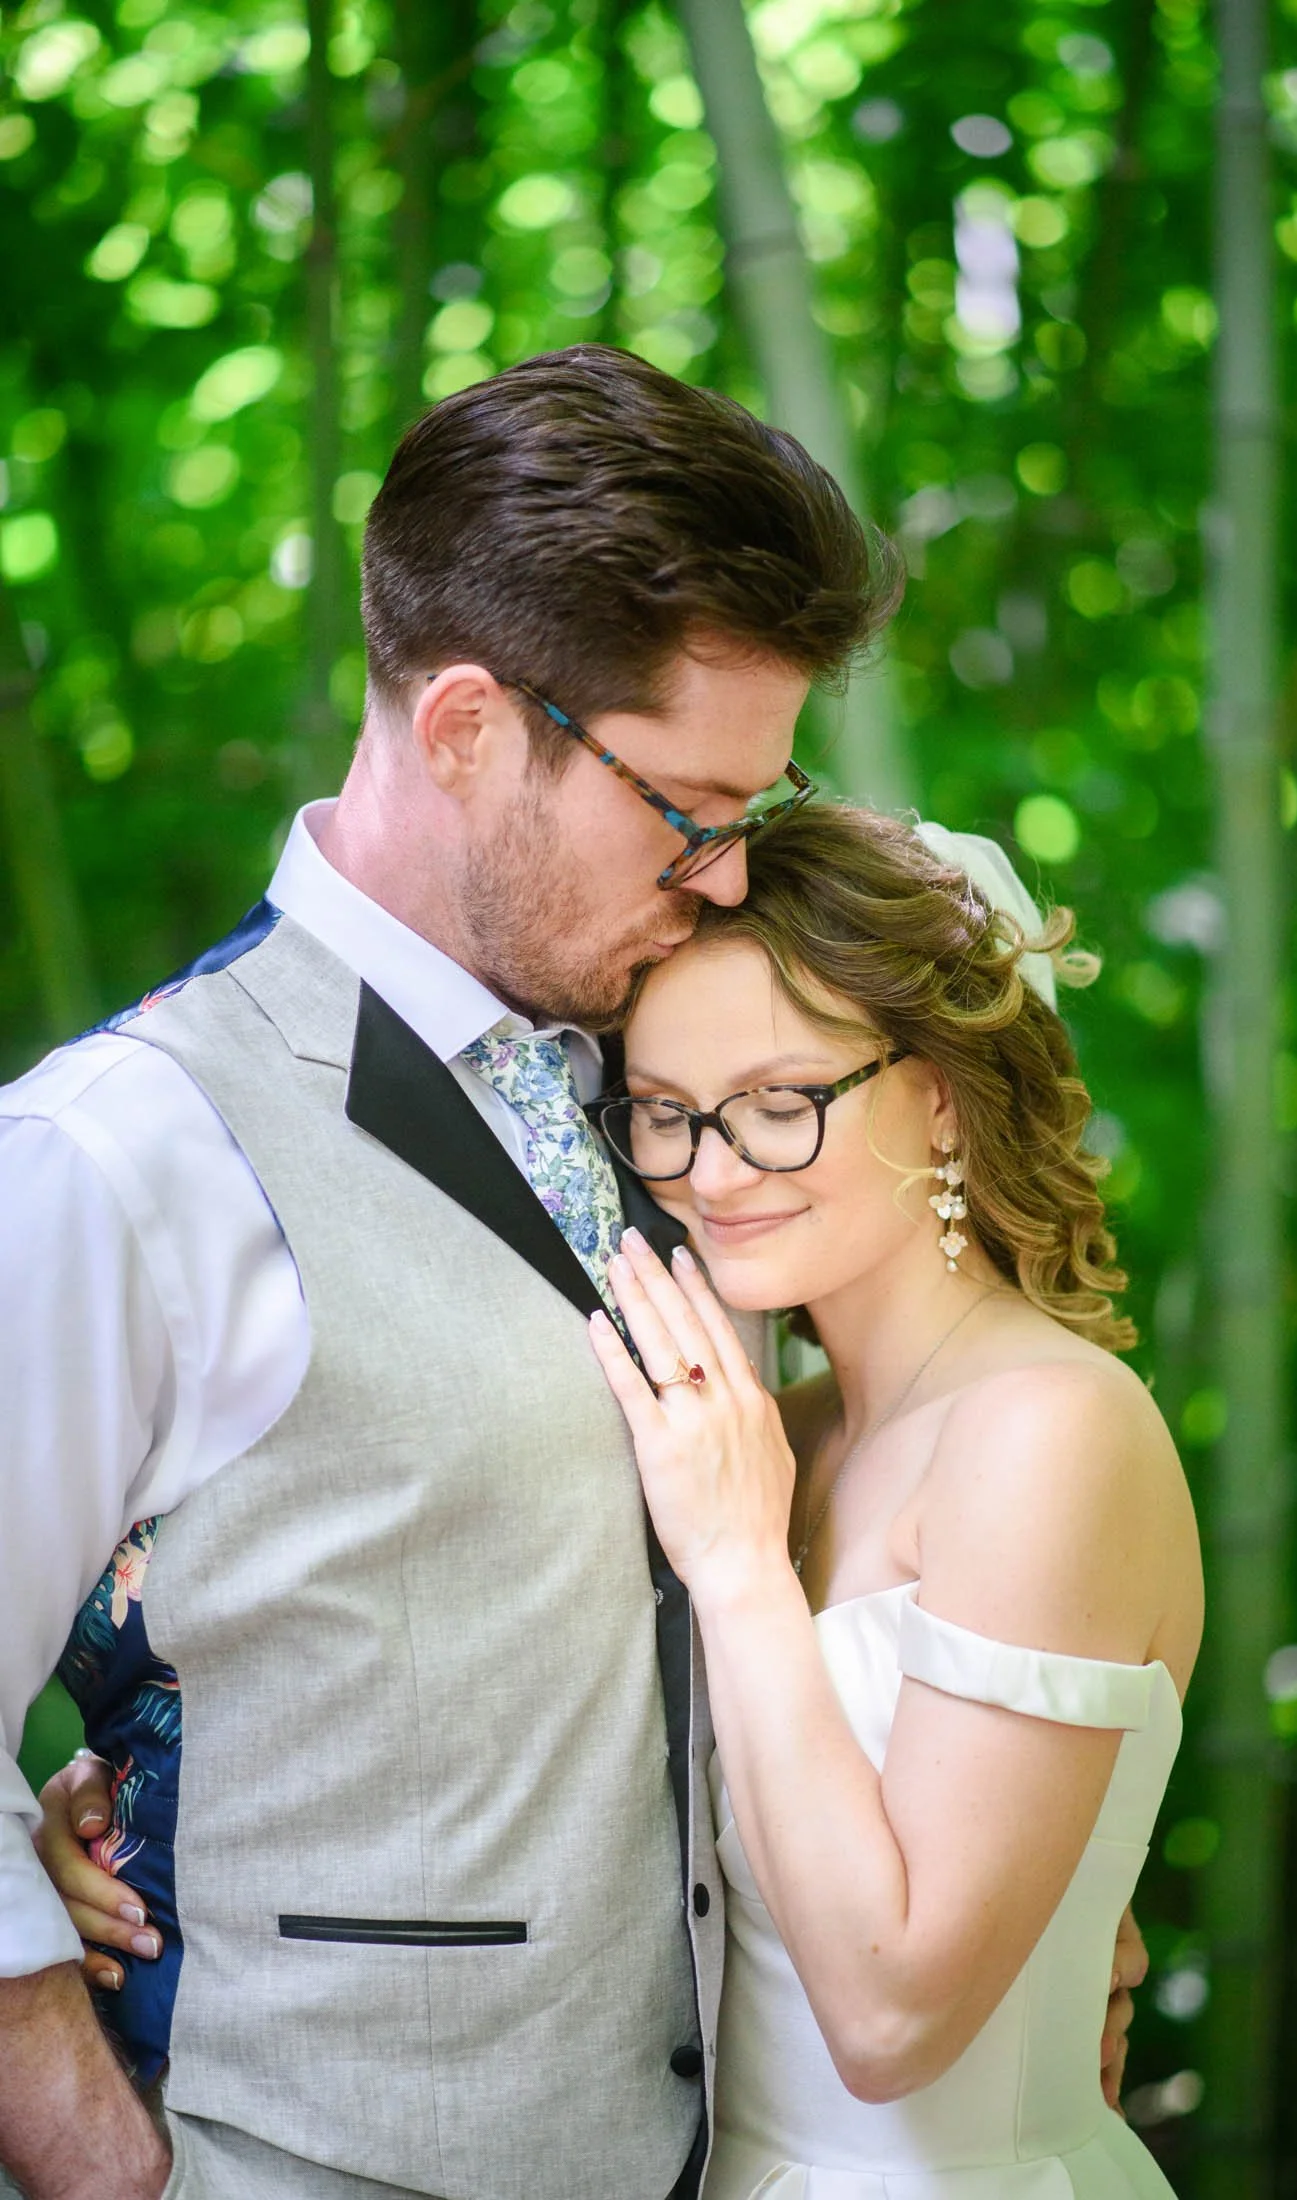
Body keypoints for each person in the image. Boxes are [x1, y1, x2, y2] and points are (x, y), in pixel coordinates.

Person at [7, 348, 1145, 2200]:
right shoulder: (121, 1155)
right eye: (687, 808)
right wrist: (101, 2162)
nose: (725, 878)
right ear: (467, 729)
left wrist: (1056, 1877)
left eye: (754, 815)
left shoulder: (705, 1073)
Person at [577, 802, 1203, 2198]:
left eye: (780, 1102)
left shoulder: (1051, 1431)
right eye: (666, 1113)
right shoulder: (780, 1432)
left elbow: (894, 2022)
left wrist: (742, 1571)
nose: (711, 1172)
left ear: (943, 1096)